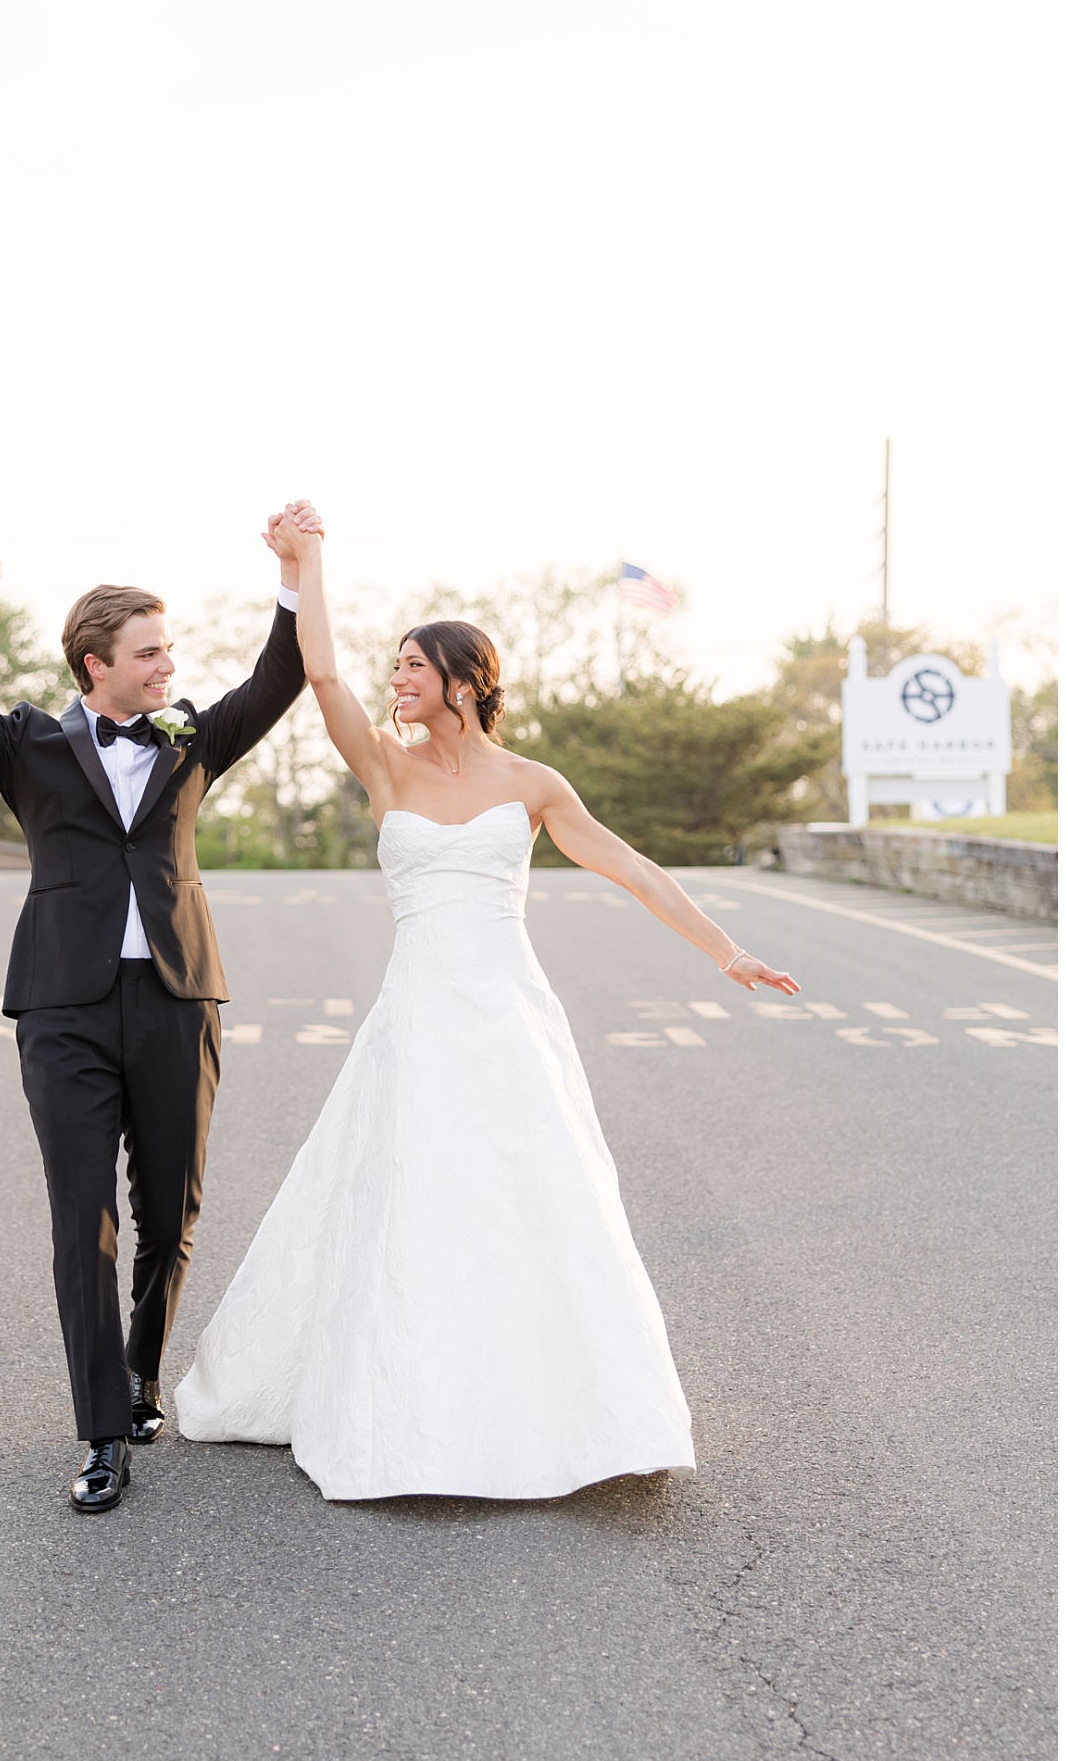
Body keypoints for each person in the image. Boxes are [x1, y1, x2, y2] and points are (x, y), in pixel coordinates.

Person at [176, 505, 800, 1502]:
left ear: (463, 682)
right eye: (397, 668)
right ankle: (406, 1408)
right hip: (416, 1013)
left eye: (415, 668)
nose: (397, 680)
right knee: (412, 1188)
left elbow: (631, 868)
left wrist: (726, 950)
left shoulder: (533, 782)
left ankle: (573, 1407)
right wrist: (309, 560)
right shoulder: (382, 762)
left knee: (534, 1193)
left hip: (507, 1009)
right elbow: (323, 674)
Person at [0, 509, 317, 1513]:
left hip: (178, 998)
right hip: (63, 1006)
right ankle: (99, 1433)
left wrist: (295, 576)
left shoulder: (191, 738)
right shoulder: (29, 744)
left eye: (168, 647)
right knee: (81, 1216)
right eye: (150, 651)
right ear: (97, 664)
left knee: (168, 1207)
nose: (168, 663)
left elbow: (278, 679)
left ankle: (138, 1371)